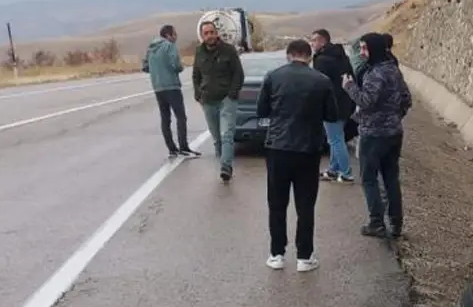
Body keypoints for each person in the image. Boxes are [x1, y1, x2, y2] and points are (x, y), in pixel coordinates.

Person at [256, 39, 338, 271]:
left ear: (288, 55)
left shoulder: (273, 77)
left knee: (277, 203)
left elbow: (261, 110)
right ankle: (304, 256)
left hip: (278, 147)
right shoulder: (322, 80)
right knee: (305, 205)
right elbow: (332, 115)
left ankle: (277, 254)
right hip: (308, 149)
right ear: (309, 56)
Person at [344, 32, 412, 239]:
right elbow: (407, 99)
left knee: (369, 178)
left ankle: (377, 223)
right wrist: (394, 117)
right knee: (391, 178)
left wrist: (349, 87)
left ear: (373, 49)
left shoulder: (375, 74)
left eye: (365, 48)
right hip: (394, 133)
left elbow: (366, 101)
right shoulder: (393, 70)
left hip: (373, 135)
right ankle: (396, 224)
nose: (362, 52)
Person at [192, 20, 245, 183]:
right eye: (206, 33)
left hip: (226, 99)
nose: (209, 36)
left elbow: (238, 74)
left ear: (217, 33)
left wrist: (232, 93)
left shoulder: (228, 50)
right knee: (217, 138)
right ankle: (221, 163)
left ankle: (226, 167)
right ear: (202, 36)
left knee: (226, 134)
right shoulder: (199, 52)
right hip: (208, 101)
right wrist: (198, 94)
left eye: (212, 32)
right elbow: (196, 75)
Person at [142, 24, 199, 159]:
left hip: (158, 87)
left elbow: (145, 67)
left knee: (165, 118)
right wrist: (179, 67)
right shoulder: (169, 46)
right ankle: (183, 147)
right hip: (171, 86)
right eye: (174, 34)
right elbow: (176, 65)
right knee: (181, 117)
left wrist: (157, 70)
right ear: (168, 35)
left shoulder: (151, 48)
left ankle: (172, 149)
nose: (176, 36)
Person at [308, 28, 357, 183]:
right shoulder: (342, 56)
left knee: (335, 140)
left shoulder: (321, 60)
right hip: (345, 103)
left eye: (314, 40)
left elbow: (319, 85)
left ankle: (346, 173)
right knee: (336, 138)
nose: (311, 44)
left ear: (322, 41)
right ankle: (333, 170)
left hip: (332, 105)